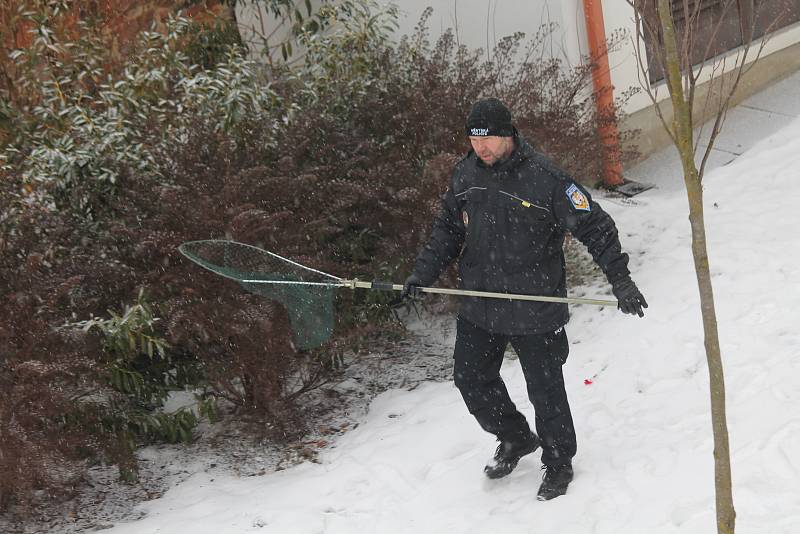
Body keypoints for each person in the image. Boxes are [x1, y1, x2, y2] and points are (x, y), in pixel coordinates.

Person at [401, 97, 647, 501]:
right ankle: (515, 437)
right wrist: (421, 274)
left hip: (535, 302)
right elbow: (447, 229)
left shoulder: (545, 178)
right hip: (481, 299)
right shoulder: (466, 174)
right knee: (470, 377)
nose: (480, 148)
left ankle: (558, 460)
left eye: (489, 139)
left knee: (545, 390)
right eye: (474, 139)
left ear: (508, 134)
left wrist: (620, 280)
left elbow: (596, 227)